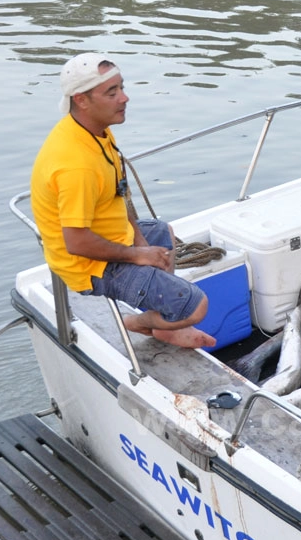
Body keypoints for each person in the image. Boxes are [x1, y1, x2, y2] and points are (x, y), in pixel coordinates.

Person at [30, 53, 216, 349]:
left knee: (163, 232)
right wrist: (137, 256)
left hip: (107, 234)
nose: (124, 98)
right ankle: (139, 323)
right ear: (81, 99)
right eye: (112, 92)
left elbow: (120, 193)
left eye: (122, 87)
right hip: (87, 265)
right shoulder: (75, 163)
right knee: (197, 307)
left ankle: (165, 322)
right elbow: (76, 242)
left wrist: (140, 240)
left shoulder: (97, 132)